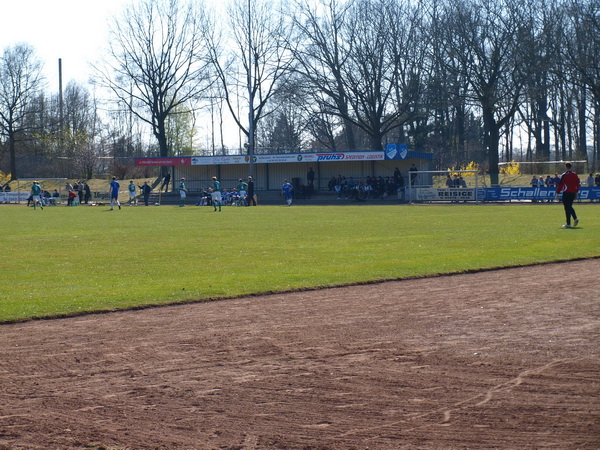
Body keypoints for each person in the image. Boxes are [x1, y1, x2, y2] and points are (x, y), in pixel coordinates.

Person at [556, 163, 580, 228]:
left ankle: (571, 222)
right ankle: (572, 220)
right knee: (569, 206)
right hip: (573, 192)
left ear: (566, 167)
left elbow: (561, 184)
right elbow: (577, 183)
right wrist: (576, 192)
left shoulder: (564, 175)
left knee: (567, 207)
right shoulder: (575, 174)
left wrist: (557, 192)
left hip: (566, 192)